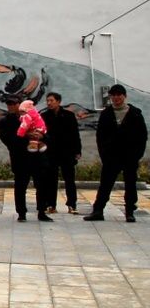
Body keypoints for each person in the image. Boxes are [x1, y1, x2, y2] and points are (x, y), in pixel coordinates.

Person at [85, 84, 148, 223]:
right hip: (111, 157)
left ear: (124, 96)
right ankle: (98, 211)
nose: (116, 98)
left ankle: (130, 212)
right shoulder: (106, 114)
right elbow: (100, 136)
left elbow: (142, 136)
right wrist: (104, 155)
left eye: (119, 95)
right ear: (110, 97)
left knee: (130, 184)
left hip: (130, 156)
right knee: (105, 184)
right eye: (113, 95)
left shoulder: (135, 114)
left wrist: (137, 155)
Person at [42, 93, 81, 214]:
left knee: (69, 180)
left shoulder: (69, 116)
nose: (49, 103)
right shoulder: (44, 116)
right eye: (47, 100)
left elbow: (75, 134)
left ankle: (72, 204)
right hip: (50, 152)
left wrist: (77, 150)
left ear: (58, 101)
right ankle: (51, 205)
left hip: (66, 152)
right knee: (50, 180)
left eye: (51, 100)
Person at [0, 98, 34, 222]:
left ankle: (42, 210)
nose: (11, 106)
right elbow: (6, 139)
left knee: (40, 183)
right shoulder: (5, 121)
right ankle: (21, 212)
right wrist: (21, 141)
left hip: (35, 155)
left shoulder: (31, 116)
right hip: (18, 156)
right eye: (9, 104)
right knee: (20, 186)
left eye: (13, 104)